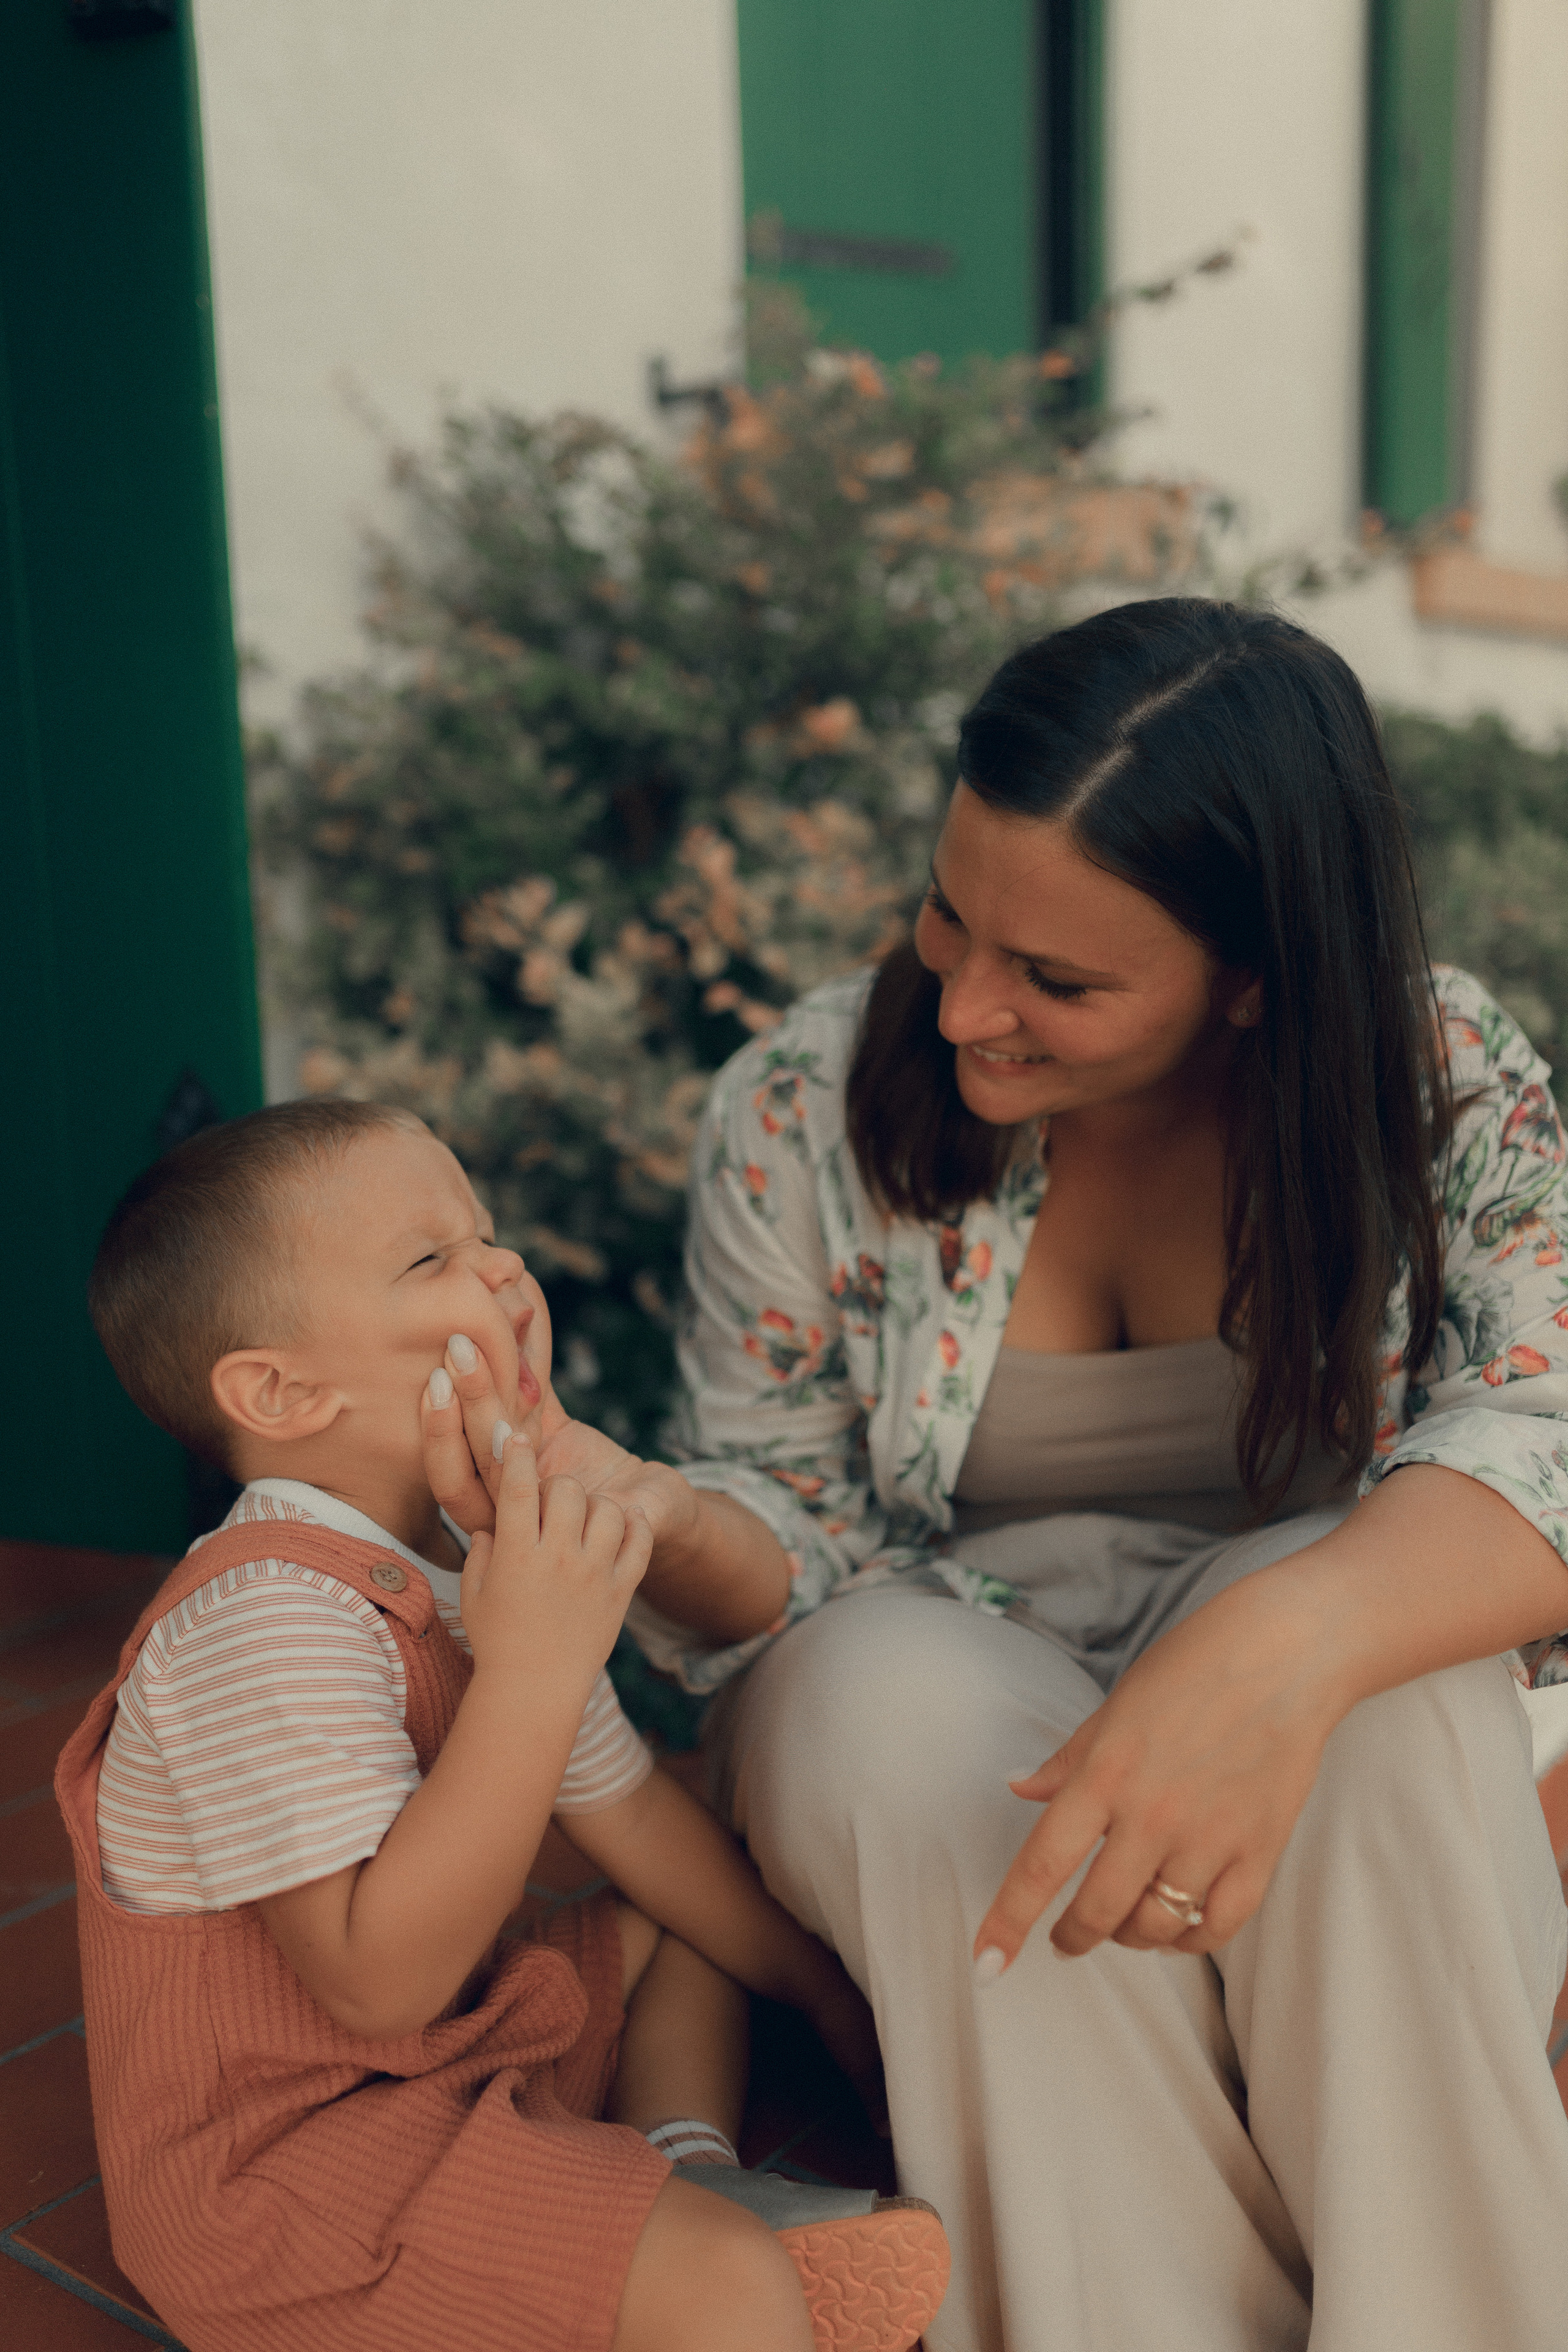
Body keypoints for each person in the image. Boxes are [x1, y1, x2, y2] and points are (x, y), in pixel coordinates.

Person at [431, 600, 1568, 2351]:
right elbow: (793, 1569)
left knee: (1395, 1707)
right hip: (938, 1641)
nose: (965, 1003)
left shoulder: (1436, 1077)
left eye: (1059, 979)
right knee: (886, 1719)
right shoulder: (804, 1106)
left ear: (1258, 973)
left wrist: (1282, 1649)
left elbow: (1541, 1426)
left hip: (1322, 1630)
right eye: (952, 913)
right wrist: (662, 1518)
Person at [56, 1100, 950, 2352]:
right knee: (731, 2291)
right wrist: (534, 1663)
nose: (502, 1270)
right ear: (278, 1389)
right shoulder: (260, 1618)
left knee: (678, 1921)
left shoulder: (470, 1558)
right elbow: (377, 1985)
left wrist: (833, 2002)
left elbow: (629, 1812)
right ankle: (689, 2250)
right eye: (431, 1260)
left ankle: (680, 2169)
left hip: (451, 2058)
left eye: (486, 1235)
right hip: (293, 2173)